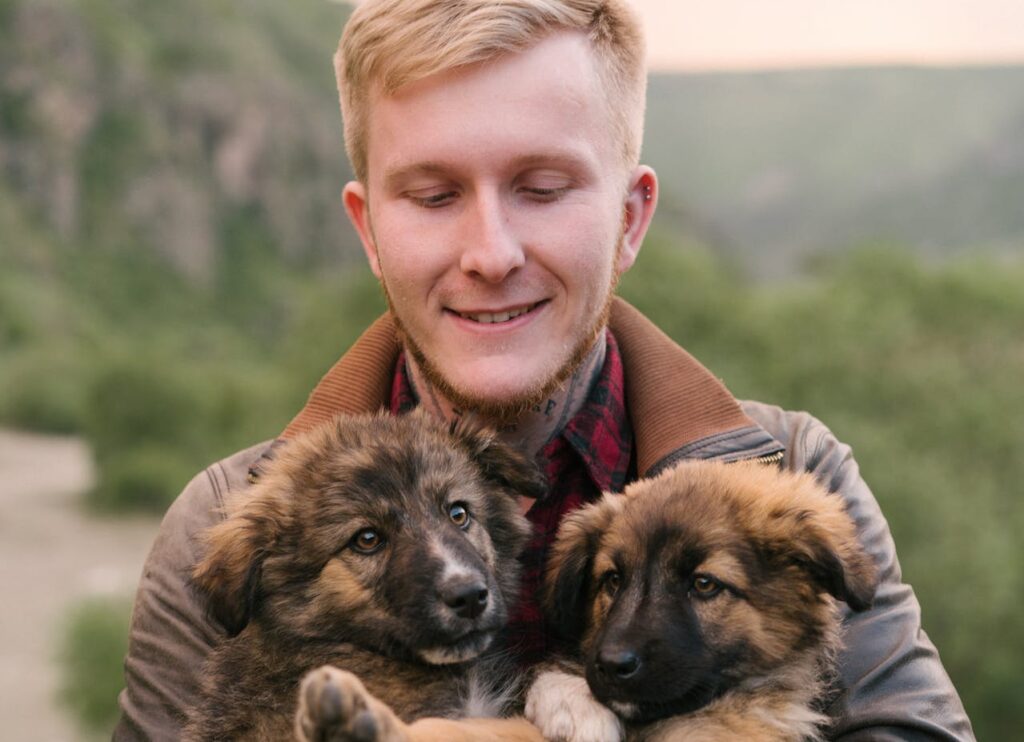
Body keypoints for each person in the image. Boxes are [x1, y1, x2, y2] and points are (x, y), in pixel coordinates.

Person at [114, 1, 974, 739]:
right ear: (369, 228)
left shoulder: (785, 472)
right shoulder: (226, 525)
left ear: (631, 218)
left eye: (543, 186)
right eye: (434, 195)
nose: (491, 253)